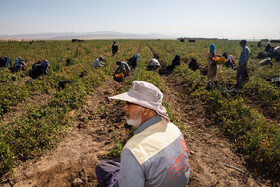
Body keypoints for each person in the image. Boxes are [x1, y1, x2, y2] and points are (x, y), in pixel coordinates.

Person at [95, 81, 190, 187]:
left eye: (129, 104)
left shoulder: (134, 150)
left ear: (146, 111)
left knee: (103, 167)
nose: (124, 108)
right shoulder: (173, 129)